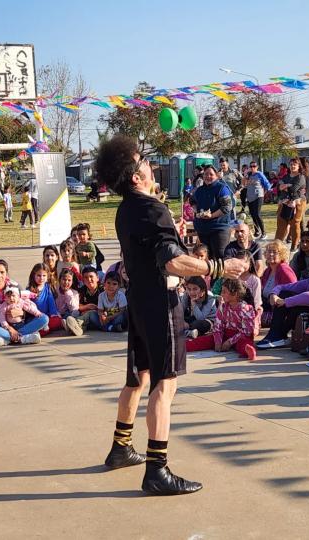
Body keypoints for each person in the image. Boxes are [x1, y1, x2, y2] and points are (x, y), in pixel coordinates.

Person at [94, 134, 247, 495]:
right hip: (161, 306)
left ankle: (120, 448)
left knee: (138, 378)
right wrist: (220, 265)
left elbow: (155, 252)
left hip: (138, 302)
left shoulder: (127, 209)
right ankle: (157, 470)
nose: (149, 164)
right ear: (135, 176)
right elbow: (173, 261)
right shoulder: (152, 210)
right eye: (143, 159)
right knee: (166, 384)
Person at [257, 252, 309, 349]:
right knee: (285, 294)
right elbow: (284, 287)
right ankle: (276, 335)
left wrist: (286, 301)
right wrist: (274, 294)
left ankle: (277, 335)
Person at [186, 278, 257, 361]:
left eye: (224, 291)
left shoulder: (247, 309)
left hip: (240, 336)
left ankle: (248, 351)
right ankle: (183, 346)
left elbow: (247, 331)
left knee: (244, 344)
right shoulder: (223, 307)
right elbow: (218, 326)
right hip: (224, 334)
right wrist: (218, 341)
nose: (221, 294)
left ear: (235, 294)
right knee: (204, 341)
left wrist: (230, 342)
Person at [191, 164, 233, 259]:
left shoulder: (221, 188)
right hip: (203, 229)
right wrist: (196, 210)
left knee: (220, 256)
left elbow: (227, 207)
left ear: (217, 175)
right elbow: (192, 201)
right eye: (206, 174)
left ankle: (220, 274)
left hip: (219, 228)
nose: (208, 176)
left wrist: (211, 215)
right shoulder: (199, 190)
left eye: (211, 174)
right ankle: (208, 274)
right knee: (206, 257)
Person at [260, 240, 297, 325]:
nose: (271, 254)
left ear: (281, 255)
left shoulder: (284, 270)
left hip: (280, 312)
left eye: (274, 252)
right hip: (267, 307)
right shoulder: (267, 271)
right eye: (269, 251)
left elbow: (294, 291)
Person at [275, 157, 307, 250]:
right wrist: (288, 186)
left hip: (297, 202)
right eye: (291, 164)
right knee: (281, 223)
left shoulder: (300, 177)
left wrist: (286, 186)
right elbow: (278, 187)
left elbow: (294, 189)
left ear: (298, 166)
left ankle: (294, 245)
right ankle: (277, 245)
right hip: (284, 202)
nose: (293, 166)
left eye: (295, 164)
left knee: (295, 223)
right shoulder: (286, 176)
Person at [27, 263, 63, 335]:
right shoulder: (29, 289)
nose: (41, 278)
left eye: (44, 276)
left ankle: (42, 329)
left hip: (47, 316)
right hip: (35, 317)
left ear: (48, 276)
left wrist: (54, 314)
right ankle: (39, 330)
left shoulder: (48, 288)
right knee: (39, 323)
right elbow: (28, 306)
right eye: (39, 275)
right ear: (33, 275)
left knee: (58, 320)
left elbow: (51, 302)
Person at [245, 161, 272, 238]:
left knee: (257, 214)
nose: (252, 168)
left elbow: (267, 185)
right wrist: (245, 175)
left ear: (257, 167)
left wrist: (263, 193)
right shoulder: (249, 175)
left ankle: (264, 232)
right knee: (253, 215)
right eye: (251, 166)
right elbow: (244, 184)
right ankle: (257, 231)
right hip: (250, 197)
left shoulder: (260, 174)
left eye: (254, 166)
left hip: (258, 196)